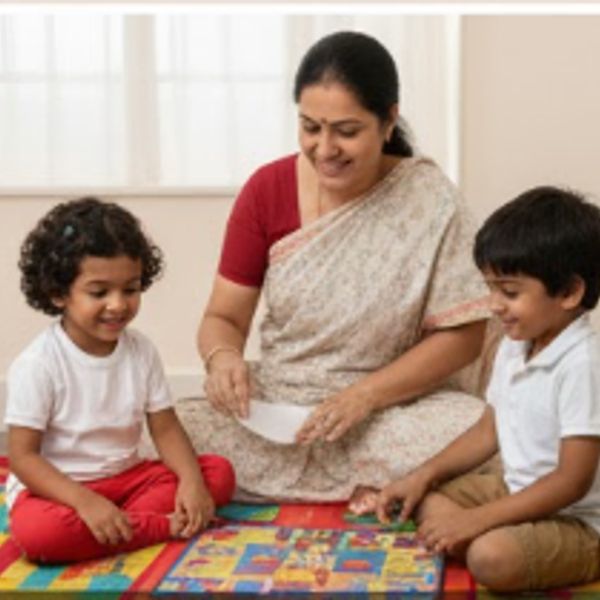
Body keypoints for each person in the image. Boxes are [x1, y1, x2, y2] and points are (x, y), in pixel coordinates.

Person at [178, 30, 491, 505]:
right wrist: (223, 360)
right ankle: (384, 489)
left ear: (388, 120)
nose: (325, 149)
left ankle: (377, 482)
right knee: (162, 430)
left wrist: (365, 397)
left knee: (476, 429)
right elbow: (224, 318)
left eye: (346, 131)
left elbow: (464, 336)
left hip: (387, 410)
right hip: (281, 404)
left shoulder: (430, 199)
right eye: (310, 127)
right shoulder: (268, 189)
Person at [376, 186, 600, 591]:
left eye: (510, 292)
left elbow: (571, 481)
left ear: (569, 292)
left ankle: (573, 555)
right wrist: (421, 475)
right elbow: (487, 430)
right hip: (517, 489)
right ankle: (479, 529)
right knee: (427, 499)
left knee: (489, 557)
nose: (494, 305)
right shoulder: (517, 344)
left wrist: (478, 520)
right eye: (490, 288)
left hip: (580, 518)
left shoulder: (584, 364)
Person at [6, 197, 235, 564]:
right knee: (39, 536)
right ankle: (160, 527)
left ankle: (125, 525)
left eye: (130, 289)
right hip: (60, 492)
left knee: (217, 474)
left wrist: (191, 482)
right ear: (58, 293)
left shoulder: (141, 351)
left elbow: (166, 430)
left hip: (129, 480)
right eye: (99, 293)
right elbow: (23, 458)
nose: (118, 304)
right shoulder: (38, 364)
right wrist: (85, 502)